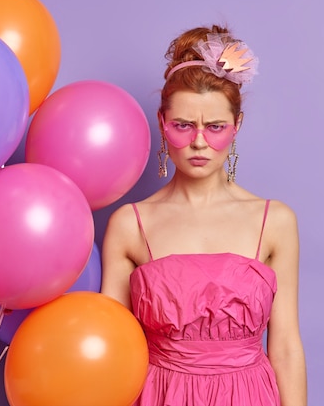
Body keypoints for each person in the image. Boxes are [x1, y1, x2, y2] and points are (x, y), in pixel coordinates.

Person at [101, 25, 307, 406]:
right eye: (183, 125)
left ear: (237, 127)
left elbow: (286, 348)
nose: (199, 142)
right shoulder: (130, 224)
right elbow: (109, 350)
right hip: (159, 395)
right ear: (163, 124)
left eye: (215, 127)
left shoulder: (275, 221)